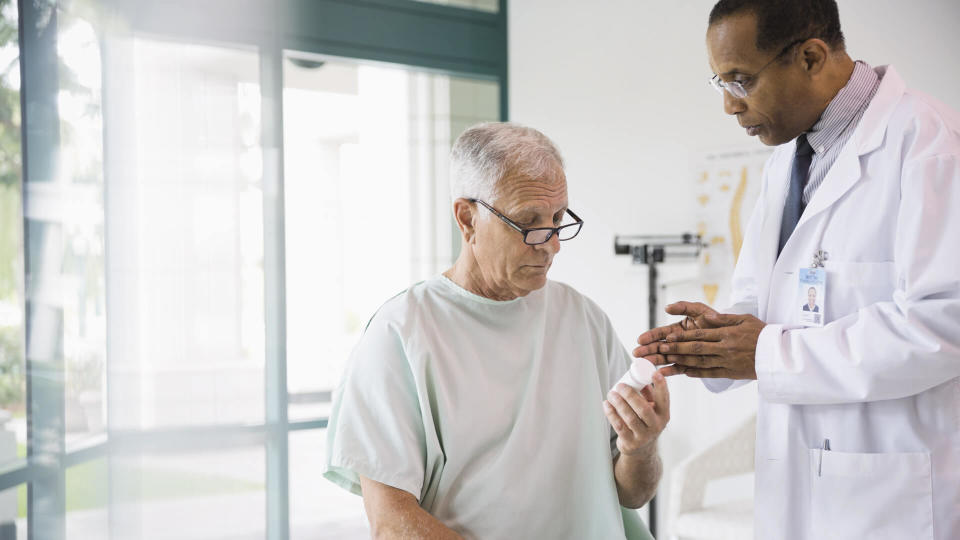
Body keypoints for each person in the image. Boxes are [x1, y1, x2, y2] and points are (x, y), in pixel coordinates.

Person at [634, 1, 960, 538]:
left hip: (891, 499)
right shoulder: (786, 161)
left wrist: (766, 352)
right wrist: (712, 344)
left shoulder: (928, 144)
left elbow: (941, 325)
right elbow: (760, 301)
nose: (728, 106)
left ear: (811, 57)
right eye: (718, 81)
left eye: (740, 81)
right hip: (801, 487)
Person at [325, 122, 668, 540]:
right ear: (467, 219)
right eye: (529, 222)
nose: (551, 244)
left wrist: (641, 446)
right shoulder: (401, 334)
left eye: (558, 219)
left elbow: (633, 495)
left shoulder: (583, 319)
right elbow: (392, 524)